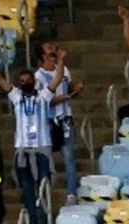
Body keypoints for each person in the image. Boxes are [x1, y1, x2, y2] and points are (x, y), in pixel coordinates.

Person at [0, 52, 65, 224]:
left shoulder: (43, 96)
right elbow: (1, 81)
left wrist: (60, 61)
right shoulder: (16, 96)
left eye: (28, 80)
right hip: (22, 150)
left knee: (44, 187)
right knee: (27, 189)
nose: (25, 83)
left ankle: (44, 223)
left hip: (42, 148)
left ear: (34, 81)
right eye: (22, 80)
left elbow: (58, 78)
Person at [35, 42, 85, 204]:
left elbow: (69, 90)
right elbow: (42, 102)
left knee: (69, 157)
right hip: (47, 122)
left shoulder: (64, 70)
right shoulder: (38, 77)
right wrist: (63, 98)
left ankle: (71, 194)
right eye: (49, 48)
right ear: (43, 56)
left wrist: (76, 90)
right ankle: (45, 196)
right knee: (46, 162)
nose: (54, 50)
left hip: (65, 119)